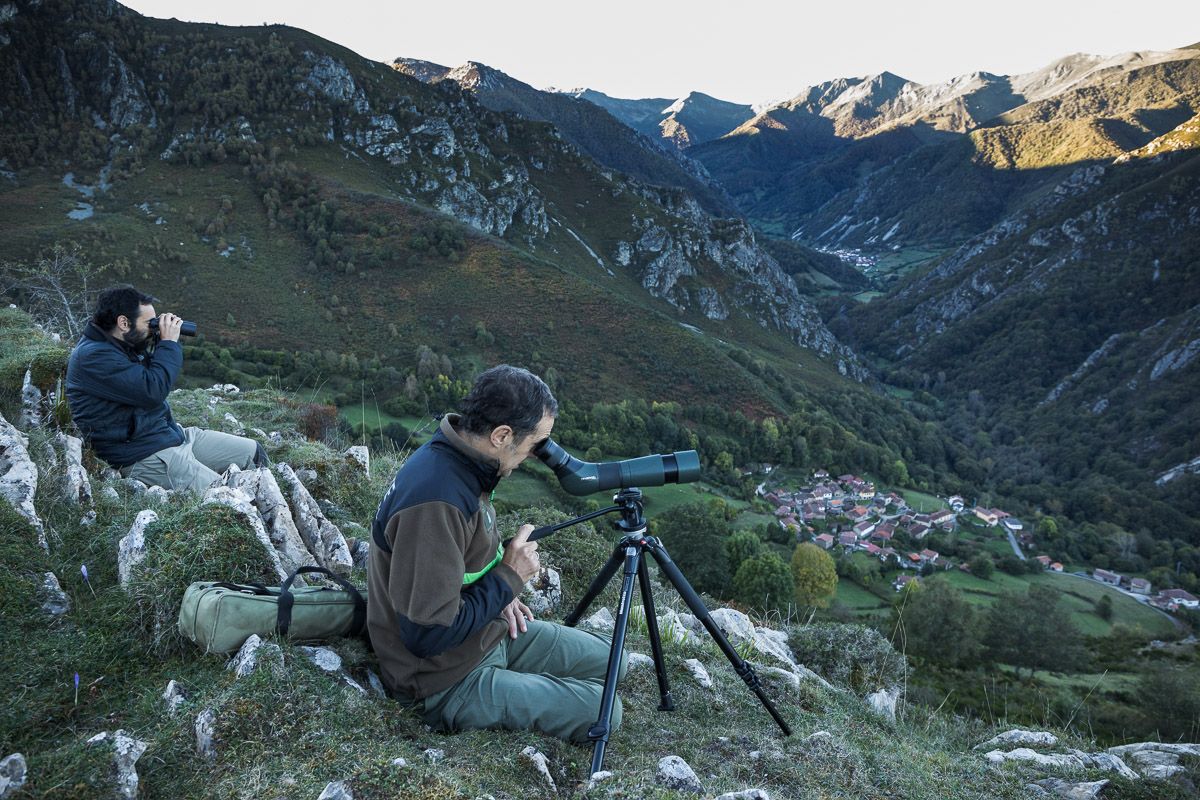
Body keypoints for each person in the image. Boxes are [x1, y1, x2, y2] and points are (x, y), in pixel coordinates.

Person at [368, 364, 627, 743]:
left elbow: (457, 565)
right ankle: (503, 692)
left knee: (614, 662)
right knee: (605, 710)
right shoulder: (437, 500)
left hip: (485, 635)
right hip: (442, 678)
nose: (537, 455)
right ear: (502, 435)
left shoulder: (465, 460)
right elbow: (426, 635)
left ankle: (519, 682)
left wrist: (496, 595)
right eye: (536, 443)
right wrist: (508, 579)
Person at [65, 284, 265, 493]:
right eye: (149, 323)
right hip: (141, 453)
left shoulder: (123, 345)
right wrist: (168, 343)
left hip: (168, 435)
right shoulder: (94, 357)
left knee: (253, 453)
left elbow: (150, 376)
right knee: (225, 494)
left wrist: (158, 338)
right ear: (123, 322)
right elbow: (154, 390)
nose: (154, 327)